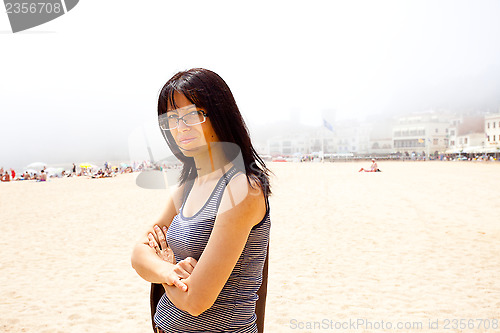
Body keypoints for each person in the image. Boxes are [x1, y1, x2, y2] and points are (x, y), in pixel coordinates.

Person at [131, 68, 272, 333]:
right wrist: (167, 271)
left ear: (219, 114)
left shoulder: (241, 188)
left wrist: (163, 265)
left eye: (192, 115)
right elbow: (138, 253)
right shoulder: (188, 184)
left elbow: (196, 301)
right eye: (172, 118)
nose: (180, 128)